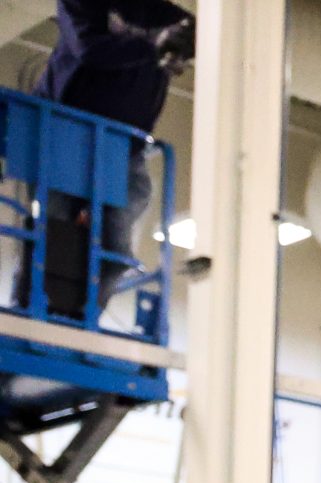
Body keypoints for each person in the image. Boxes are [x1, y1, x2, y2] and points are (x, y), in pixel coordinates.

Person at [26, 1, 194, 322]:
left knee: (116, 251)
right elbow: (89, 48)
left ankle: (83, 319)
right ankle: (35, 312)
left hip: (121, 146)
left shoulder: (170, 17)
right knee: (53, 237)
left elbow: (196, 41)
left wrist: (186, 43)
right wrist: (153, 46)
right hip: (62, 132)